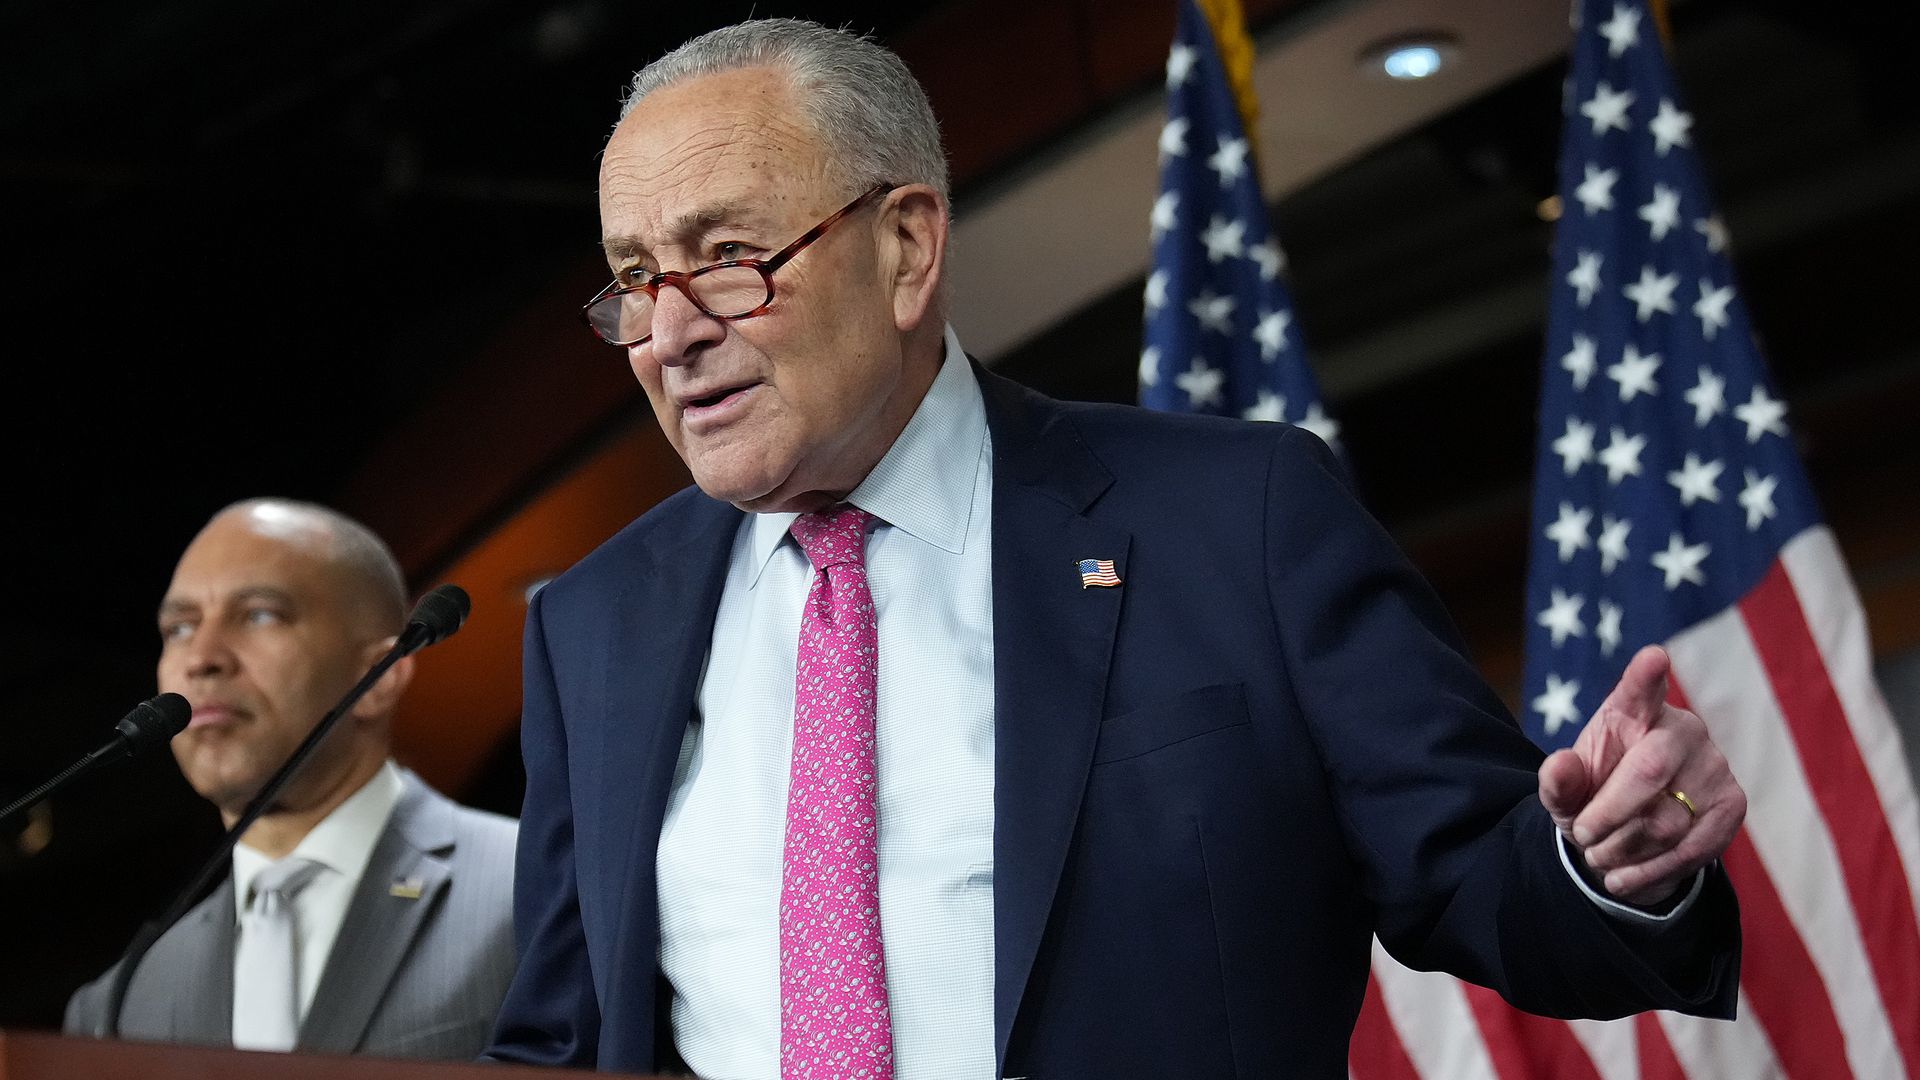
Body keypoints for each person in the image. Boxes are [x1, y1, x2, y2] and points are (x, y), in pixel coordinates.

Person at [483, 19, 1746, 1080]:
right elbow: (560, 1040)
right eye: (635, 279)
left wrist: (1608, 864)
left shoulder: (1236, 519)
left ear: (907, 246)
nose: (669, 335)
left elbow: (1480, 884)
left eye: (727, 259)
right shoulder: (594, 625)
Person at [65, 498, 518, 1059]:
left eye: (260, 615)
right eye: (179, 627)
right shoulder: (121, 1002)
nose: (201, 657)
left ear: (379, 678)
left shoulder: (538, 888)